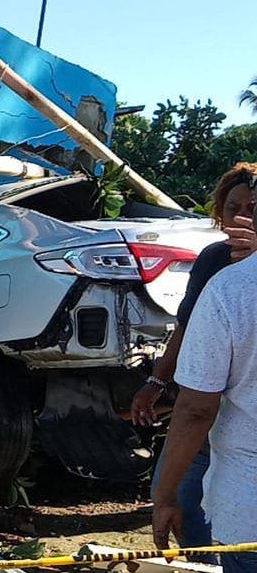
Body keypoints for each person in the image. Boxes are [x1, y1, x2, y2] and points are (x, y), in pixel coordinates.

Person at [132, 163, 257, 554]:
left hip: (233, 447)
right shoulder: (215, 262)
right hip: (217, 434)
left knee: (180, 498)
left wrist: (165, 496)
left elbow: (196, 410)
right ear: (219, 213)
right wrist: (156, 382)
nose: (243, 217)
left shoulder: (233, 285)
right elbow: (187, 329)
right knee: (186, 503)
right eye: (234, 208)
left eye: (253, 208)